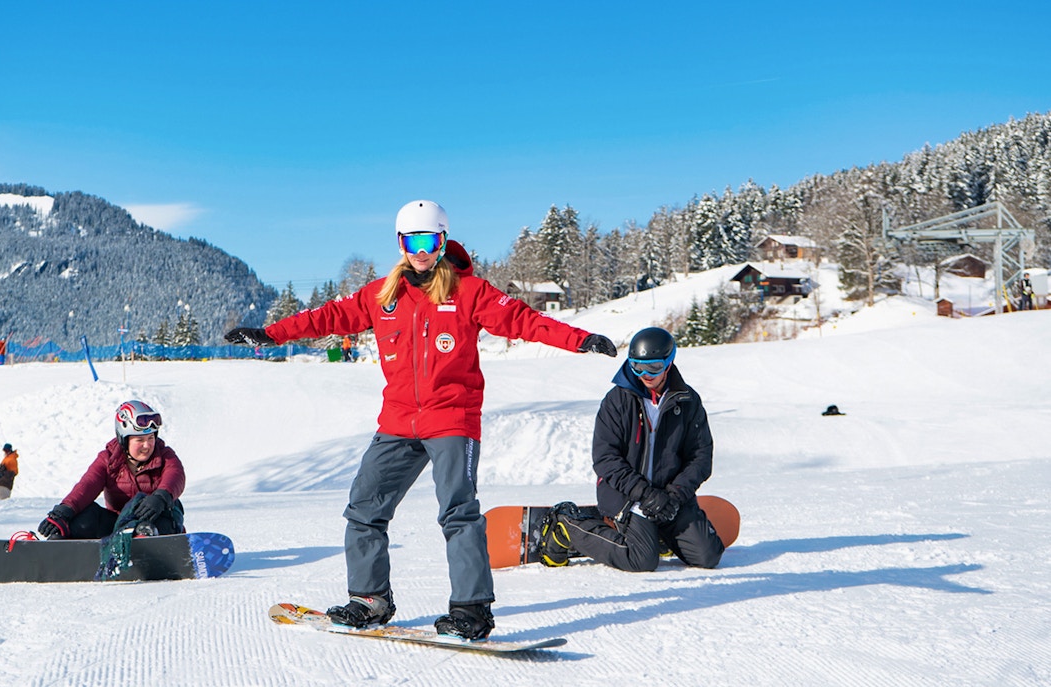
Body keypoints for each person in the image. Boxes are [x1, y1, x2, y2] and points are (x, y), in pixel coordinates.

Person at [224, 199, 618, 640]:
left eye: (430, 240)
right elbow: (327, 317)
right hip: (398, 421)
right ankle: (370, 601)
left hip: (452, 419)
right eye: (413, 241)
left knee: (458, 512)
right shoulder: (383, 295)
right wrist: (270, 334)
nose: (421, 250)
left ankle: (471, 611)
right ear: (400, 243)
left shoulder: (470, 291)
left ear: (443, 239)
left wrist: (580, 339)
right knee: (364, 509)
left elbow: (523, 321)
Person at [538, 327, 723, 572]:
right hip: (628, 495)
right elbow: (605, 459)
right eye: (637, 367)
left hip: (670, 496)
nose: (645, 374)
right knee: (642, 560)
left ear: (669, 363)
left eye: (654, 367)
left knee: (708, 556)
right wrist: (645, 494)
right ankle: (567, 527)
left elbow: (701, 456)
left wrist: (675, 495)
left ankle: (657, 531)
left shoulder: (687, 401)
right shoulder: (617, 401)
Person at [37, 400, 186, 540]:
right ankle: (62, 549)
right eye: (140, 440)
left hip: (156, 522)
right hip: (118, 523)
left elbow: (175, 475)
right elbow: (88, 485)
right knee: (84, 519)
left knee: (152, 521)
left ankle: (147, 545)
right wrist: (64, 511)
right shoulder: (109, 459)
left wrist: (160, 498)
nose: (147, 446)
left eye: (150, 438)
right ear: (124, 440)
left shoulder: (165, 455)